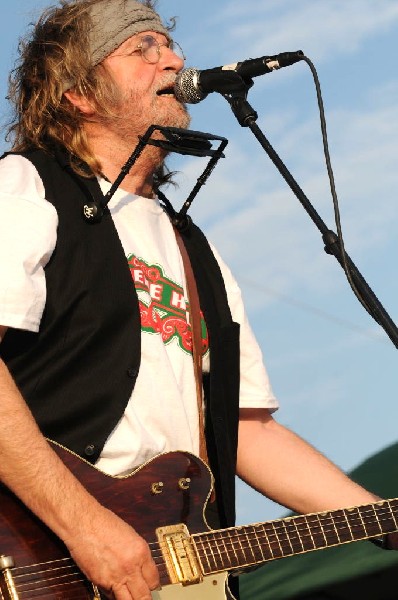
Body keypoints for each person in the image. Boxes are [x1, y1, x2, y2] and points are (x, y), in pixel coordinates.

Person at [0, 1, 395, 599]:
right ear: (79, 91)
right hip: (44, 559)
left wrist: (384, 520)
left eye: (169, 45)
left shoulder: (194, 251)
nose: (176, 60)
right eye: (144, 50)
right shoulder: (27, 189)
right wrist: (84, 526)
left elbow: (249, 431)